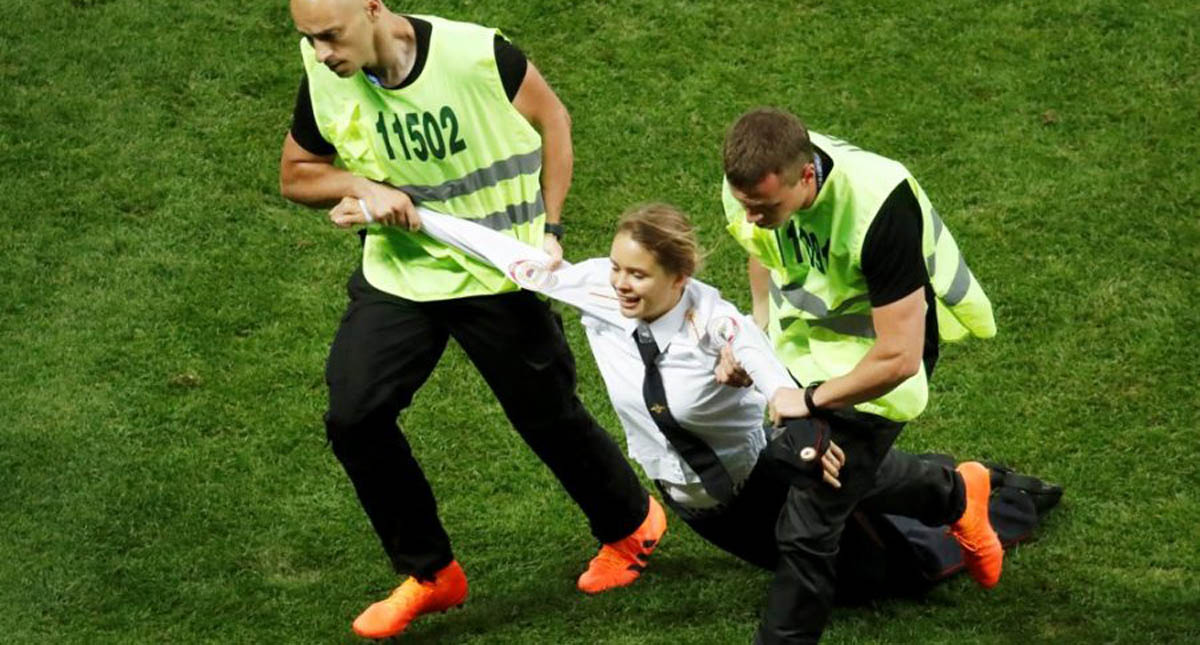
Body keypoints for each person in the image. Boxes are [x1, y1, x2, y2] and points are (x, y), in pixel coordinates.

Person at [331, 199, 1046, 618]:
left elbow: (775, 379)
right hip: (707, 510)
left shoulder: (719, 326)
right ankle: (950, 487)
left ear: (681, 276)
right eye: (616, 267)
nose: (621, 284)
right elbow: (498, 251)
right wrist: (407, 214)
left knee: (882, 581)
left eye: (638, 274)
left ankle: (963, 489)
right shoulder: (592, 289)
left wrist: (792, 418)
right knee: (850, 577)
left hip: (760, 475)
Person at [279, 1, 664, 638]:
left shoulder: (478, 55)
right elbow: (297, 175)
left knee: (547, 416)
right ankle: (431, 574)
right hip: (402, 273)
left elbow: (554, 121)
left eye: (329, 36)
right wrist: (362, 190)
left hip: (497, 270)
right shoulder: (325, 72)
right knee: (354, 416)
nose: (321, 52)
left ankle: (631, 526)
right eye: (309, 39)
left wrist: (552, 226)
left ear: (372, 8)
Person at [718, 107, 1002, 643]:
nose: (751, 216)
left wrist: (812, 398)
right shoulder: (753, 183)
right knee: (846, 473)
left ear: (807, 177)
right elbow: (759, 248)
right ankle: (958, 494)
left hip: (881, 355)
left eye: (765, 207)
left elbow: (900, 355)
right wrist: (756, 331)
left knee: (808, 515)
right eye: (745, 205)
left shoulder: (879, 207)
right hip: (805, 351)